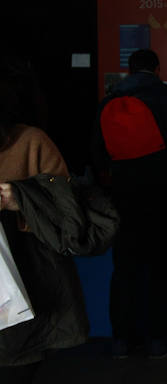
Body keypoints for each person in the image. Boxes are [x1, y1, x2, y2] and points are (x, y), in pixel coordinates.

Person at [92, 48, 167, 358]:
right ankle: (159, 339)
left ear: (129, 68)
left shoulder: (107, 103)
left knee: (125, 267)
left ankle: (123, 340)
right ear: (157, 68)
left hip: (123, 196)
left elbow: (97, 155)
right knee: (162, 266)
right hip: (164, 193)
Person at [0, 60, 86, 382]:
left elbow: (69, 211)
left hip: (22, 281)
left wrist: (19, 199)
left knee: (15, 364)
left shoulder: (30, 141)